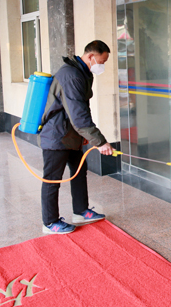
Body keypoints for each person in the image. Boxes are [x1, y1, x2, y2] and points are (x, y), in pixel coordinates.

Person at [38, 40, 115, 234]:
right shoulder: (70, 75)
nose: (102, 66)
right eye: (102, 61)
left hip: (71, 135)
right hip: (56, 136)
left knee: (79, 170)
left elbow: (81, 110)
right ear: (91, 56)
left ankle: (81, 211)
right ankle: (50, 222)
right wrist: (100, 142)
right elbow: (79, 115)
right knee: (52, 179)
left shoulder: (82, 73)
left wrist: (84, 136)